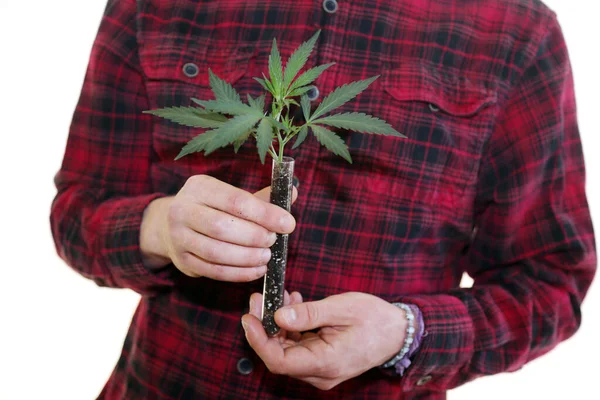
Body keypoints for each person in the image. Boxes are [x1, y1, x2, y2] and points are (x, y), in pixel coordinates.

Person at [50, 0, 596, 399]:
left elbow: (549, 281)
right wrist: (159, 229)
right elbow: (79, 207)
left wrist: (406, 333)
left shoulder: (515, 29)